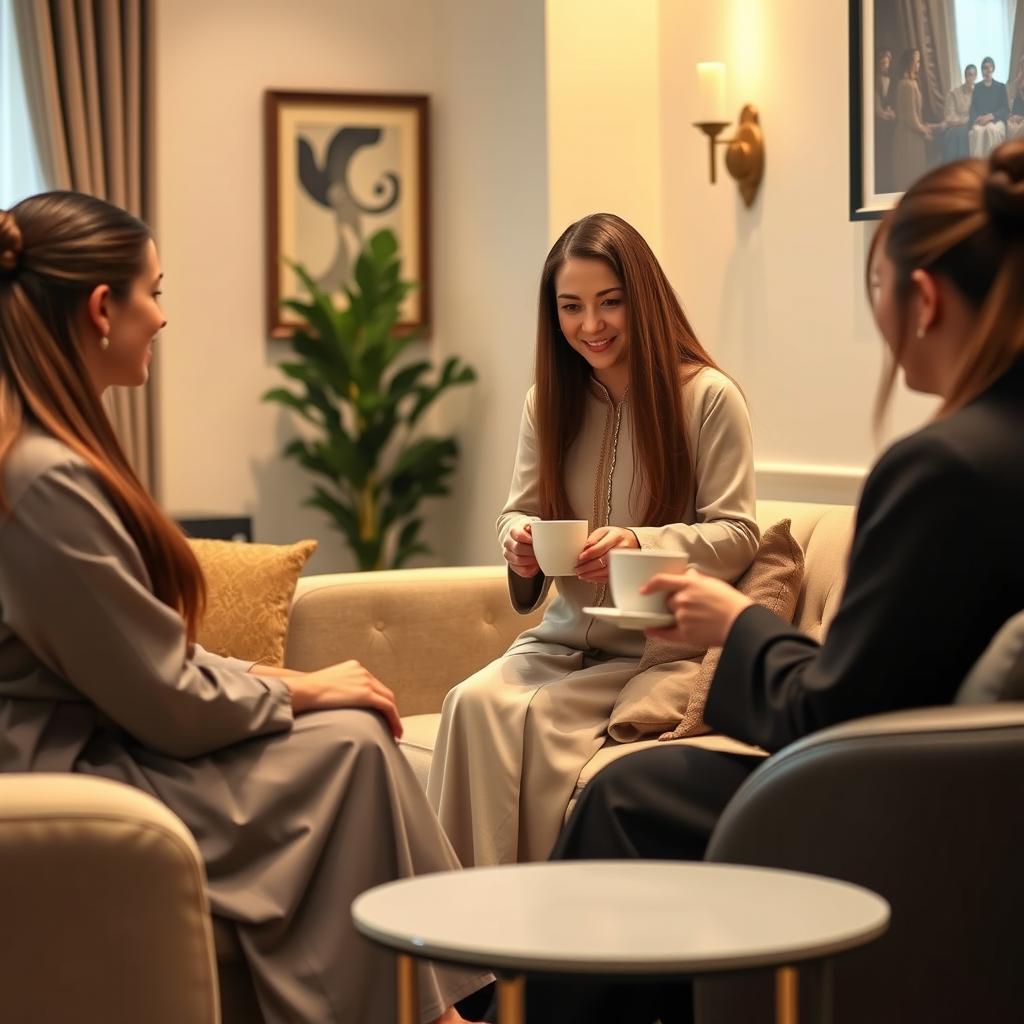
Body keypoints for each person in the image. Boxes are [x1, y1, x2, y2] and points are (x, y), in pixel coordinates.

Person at [519, 143, 1024, 1024]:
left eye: (881, 292)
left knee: (625, 795)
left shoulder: (943, 471)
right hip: (978, 800)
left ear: (926, 299)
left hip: (912, 809)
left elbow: (830, 717)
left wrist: (731, 623)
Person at [0, 191, 491, 1024]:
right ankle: (430, 1014)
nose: (161, 317)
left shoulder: (41, 457)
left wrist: (287, 680)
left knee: (353, 737)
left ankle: (427, 1011)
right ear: (99, 309)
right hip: (68, 773)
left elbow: (147, 662)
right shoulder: (44, 479)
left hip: (99, 739)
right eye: (155, 291)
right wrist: (300, 687)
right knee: (352, 747)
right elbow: (165, 699)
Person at [426, 213, 760, 869]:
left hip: (652, 651)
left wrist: (639, 540)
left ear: (645, 299)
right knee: (468, 703)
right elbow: (515, 512)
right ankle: (464, 941)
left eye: (611, 303)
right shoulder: (546, 403)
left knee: (535, 723)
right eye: (571, 307)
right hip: (559, 638)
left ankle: (539, 935)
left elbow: (739, 534)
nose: (592, 325)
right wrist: (519, 542)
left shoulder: (709, 399)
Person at [892, 48, 933, 190]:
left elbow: (916, 115)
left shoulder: (913, 83)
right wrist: (924, 130)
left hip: (914, 135)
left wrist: (923, 128)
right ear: (909, 63)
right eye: (917, 61)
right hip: (907, 136)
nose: (918, 65)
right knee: (909, 174)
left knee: (916, 172)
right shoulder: (906, 85)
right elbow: (910, 117)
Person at [968, 56, 1009, 157]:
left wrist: (992, 116)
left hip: (996, 121)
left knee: (990, 129)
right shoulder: (977, 88)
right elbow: (973, 108)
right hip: (981, 121)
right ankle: (977, 164)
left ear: (993, 69)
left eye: (990, 67)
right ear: (982, 70)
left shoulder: (1000, 87)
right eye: (985, 68)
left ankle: (993, 163)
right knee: (977, 131)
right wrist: (977, 118)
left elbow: (1005, 109)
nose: (988, 70)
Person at [943, 63, 977, 160]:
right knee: (955, 133)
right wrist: (962, 121)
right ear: (965, 76)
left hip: (972, 124)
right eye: (969, 75)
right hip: (957, 125)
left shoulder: (978, 93)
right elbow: (949, 116)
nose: (971, 78)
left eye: (973, 75)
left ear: (976, 77)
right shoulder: (954, 93)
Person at [875, 48, 897, 192]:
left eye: (887, 62)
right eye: (883, 62)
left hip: (890, 123)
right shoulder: (874, 79)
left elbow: (891, 100)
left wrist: (890, 109)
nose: (885, 64)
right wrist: (883, 112)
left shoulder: (891, 80)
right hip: (878, 124)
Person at [1006, 54, 1024, 141]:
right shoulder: (1016, 82)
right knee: (1009, 126)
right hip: (1015, 116)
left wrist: (1021, 117)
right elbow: (1012, 102)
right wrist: (1012, 116)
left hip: (1022, 117)